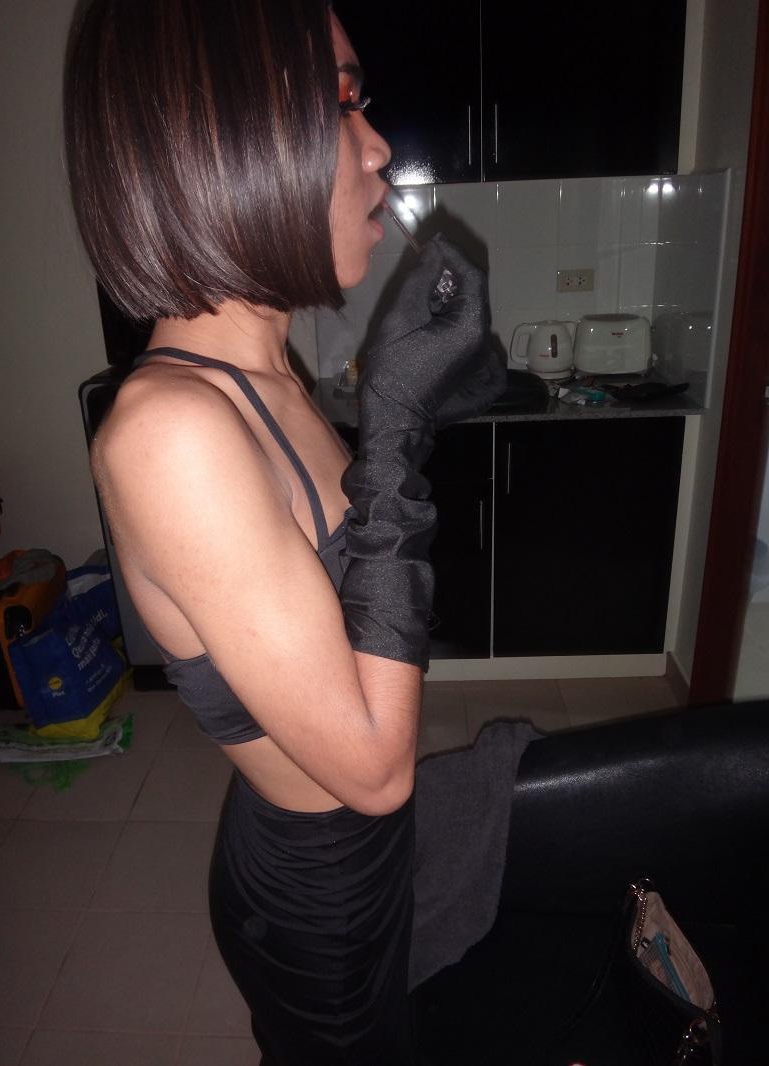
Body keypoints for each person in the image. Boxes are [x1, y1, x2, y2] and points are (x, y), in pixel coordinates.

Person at [64, 1, 502, 1061]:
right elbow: (373, 767)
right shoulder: (169, 432)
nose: (377, 144)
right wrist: (394, 427)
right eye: (341, 100)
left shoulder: (267, 377)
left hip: (357, 857)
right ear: (224, 136)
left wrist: (412, 408)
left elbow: (344, 615)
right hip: (320, 909)